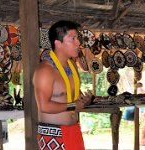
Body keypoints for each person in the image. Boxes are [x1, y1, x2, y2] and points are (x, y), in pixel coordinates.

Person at [33, 20, 93, 150]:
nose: (78, 43)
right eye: (73, 39)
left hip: (74, 131)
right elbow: (44, 106)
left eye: (77, 38)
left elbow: (70, 100)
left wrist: (83, 102)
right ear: (58, 44)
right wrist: (73, 105)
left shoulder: (72, 68)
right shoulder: (45, 71)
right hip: (53, 135)